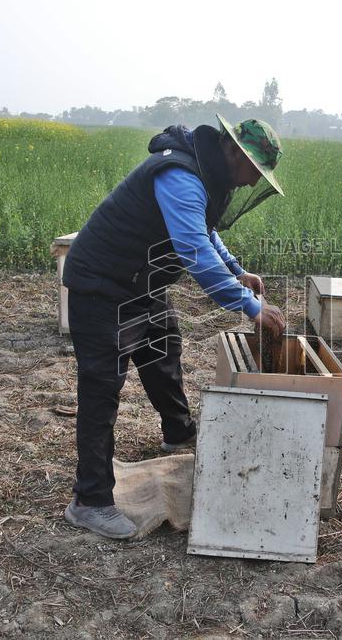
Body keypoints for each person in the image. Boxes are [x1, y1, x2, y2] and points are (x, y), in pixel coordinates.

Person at [60, 115, 287, 539]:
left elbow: (206, 230)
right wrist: (250, 307)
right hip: (103, 285)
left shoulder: (204, 173)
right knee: (101, 390)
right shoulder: (180, 174)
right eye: (253, 172)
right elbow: (193, 248)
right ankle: (89, 500)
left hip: (140, 282)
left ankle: (178, 434)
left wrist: (237, 271)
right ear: (234, 151)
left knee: (164, 352)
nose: (253, 184)